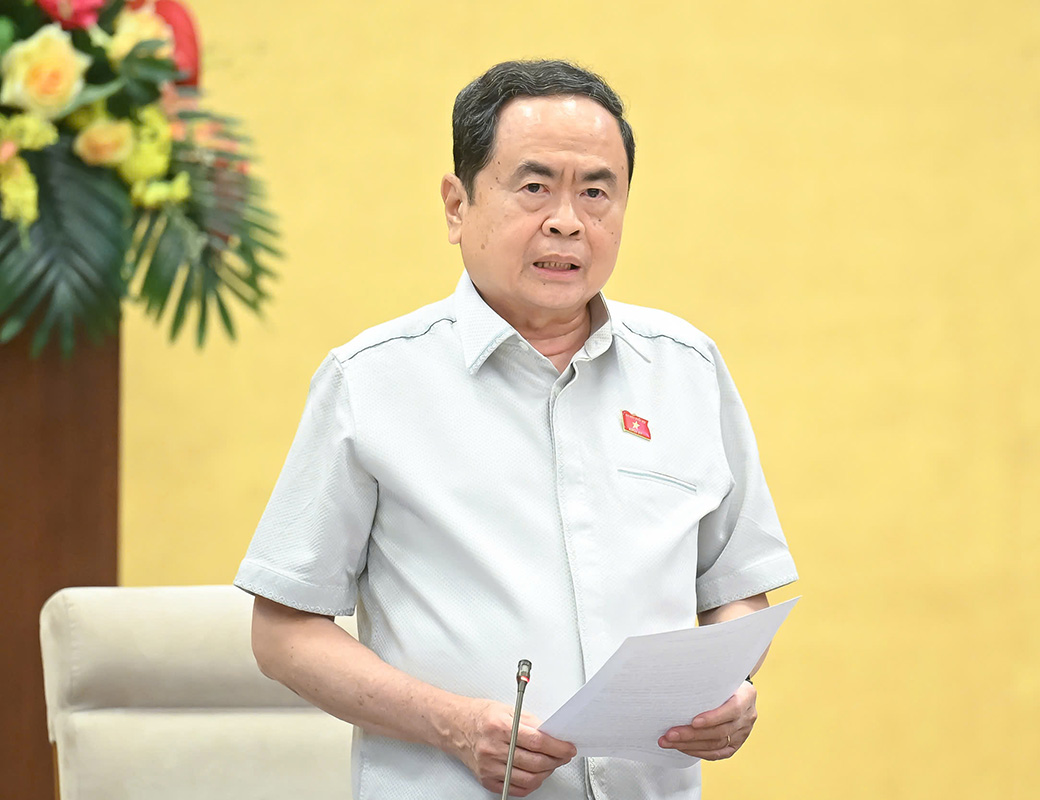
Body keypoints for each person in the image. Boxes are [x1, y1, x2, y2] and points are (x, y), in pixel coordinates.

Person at [235, 59, 797, 800]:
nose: (568, 220)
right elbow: (283, 634)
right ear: (456, 204)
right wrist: (453, 724)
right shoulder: (370, 380)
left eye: (596, 192)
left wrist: (729, 689)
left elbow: (736, 588)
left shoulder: (686, 368)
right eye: (535, 187)